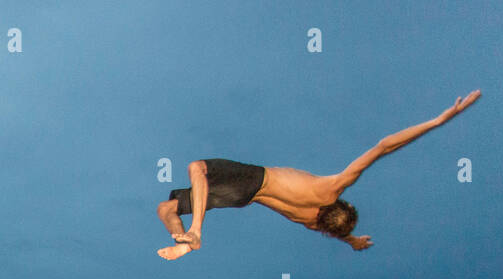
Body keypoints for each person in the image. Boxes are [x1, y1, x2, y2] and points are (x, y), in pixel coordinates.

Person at [156, 90, 482, 260]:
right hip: (244, 198)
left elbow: (383, 147)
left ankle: (195, 232)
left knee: (197, 168)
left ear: (342, 203)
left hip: (254, 180)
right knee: (166, 209)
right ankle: (183, 242)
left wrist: (437, 121)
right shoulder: (310, 222)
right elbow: (334, 232)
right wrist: (351, 241)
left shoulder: (331, 190)